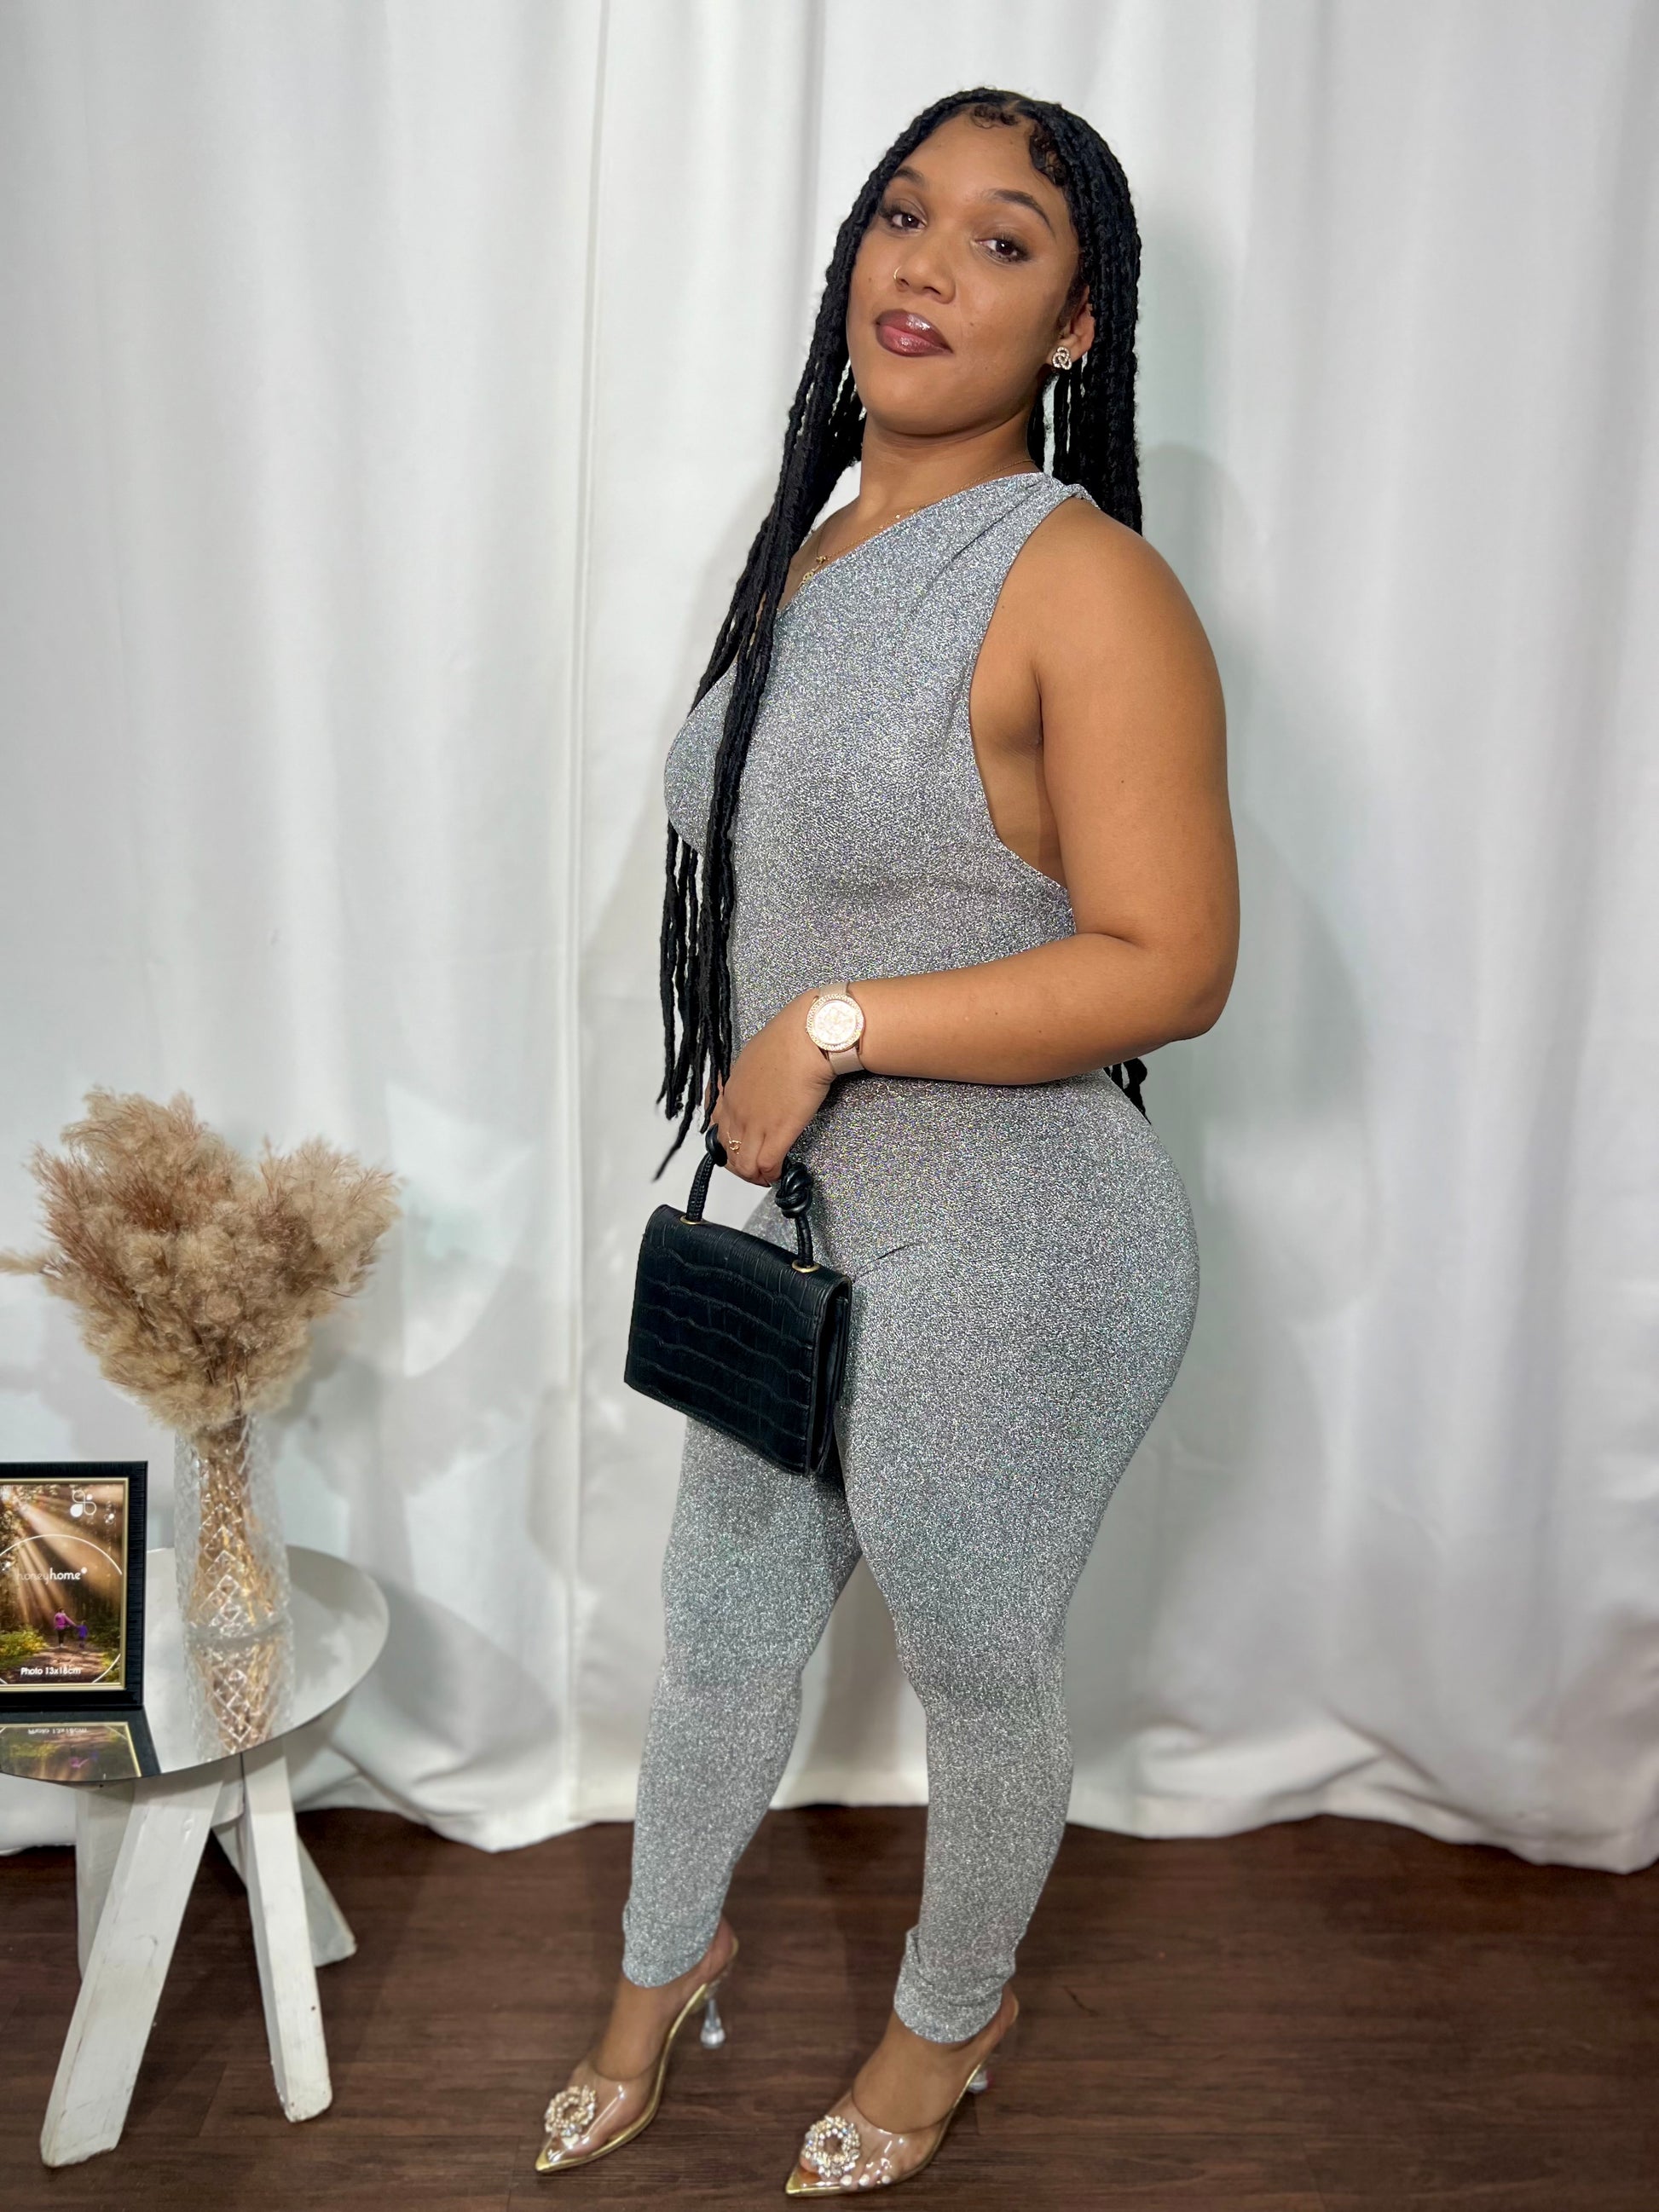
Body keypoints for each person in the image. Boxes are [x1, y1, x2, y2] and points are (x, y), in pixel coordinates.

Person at [537, 87, 1238, 2193]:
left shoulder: (1082, 580)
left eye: (1003, 240)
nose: (926, 266)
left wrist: (831, 1026)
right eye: (902, 217)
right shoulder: (815, 548)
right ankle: (659, 1971)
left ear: (1079, 325)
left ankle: (950, 2017)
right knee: (718, 1630)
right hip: (812, 1230)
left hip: (1021, 1239)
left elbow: (1173, 961)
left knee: (970, 1656)